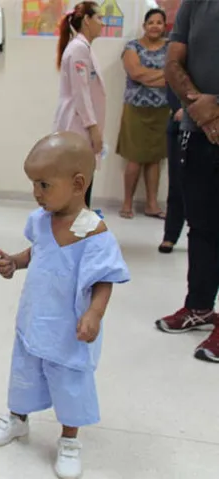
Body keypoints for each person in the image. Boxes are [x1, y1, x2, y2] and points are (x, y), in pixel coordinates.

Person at [0, 132, 130, 479]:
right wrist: (16, 263)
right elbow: (40, 252)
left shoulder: (93, 233)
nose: (36, 193)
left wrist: (94, 314)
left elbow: (104, 278)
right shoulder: (41, 220)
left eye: (44, 184)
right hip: (35, 321)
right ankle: (18, 420)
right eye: (34, 183)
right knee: (24, 373)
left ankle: (69, 439)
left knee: (70, 384)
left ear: (78, 184)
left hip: (70, 330)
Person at [155, 0, 219, 363]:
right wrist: (202, 109)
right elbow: (174, 61)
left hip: (205, 119)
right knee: (202, 226)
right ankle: (199, 307)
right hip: (197, 132)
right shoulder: (196, 3)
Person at [117, 8, 170, 220]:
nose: (155, 26)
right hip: (136, 109)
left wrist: (150, 77)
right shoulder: (132, 47)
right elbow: (136, 73)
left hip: (161, 110)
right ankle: (127, 203)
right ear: (144, 26)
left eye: (159, 22)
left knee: (154, 159)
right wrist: (161, 75)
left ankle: (151, 205)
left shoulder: (170, 48)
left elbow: (173, 77)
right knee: (135, 158)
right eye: (151, 22)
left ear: (164, 26)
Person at [53, 1, 105, 208]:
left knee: (82, 183)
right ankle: (73, 233)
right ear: (86, 20)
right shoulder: (78, 50)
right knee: (77, 185)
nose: (102, 23)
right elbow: (80, 93)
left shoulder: (83, 48)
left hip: (81, 125)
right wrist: (93, 129)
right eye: (99, 18)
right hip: (78, 126)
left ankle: (78, 231)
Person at [158, 83, 185, 253]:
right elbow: (172, 80)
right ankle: (170, 235)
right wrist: (181, 109)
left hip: (211, 122)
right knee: (177, 183)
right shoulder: (178, 58)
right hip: (179, 125)